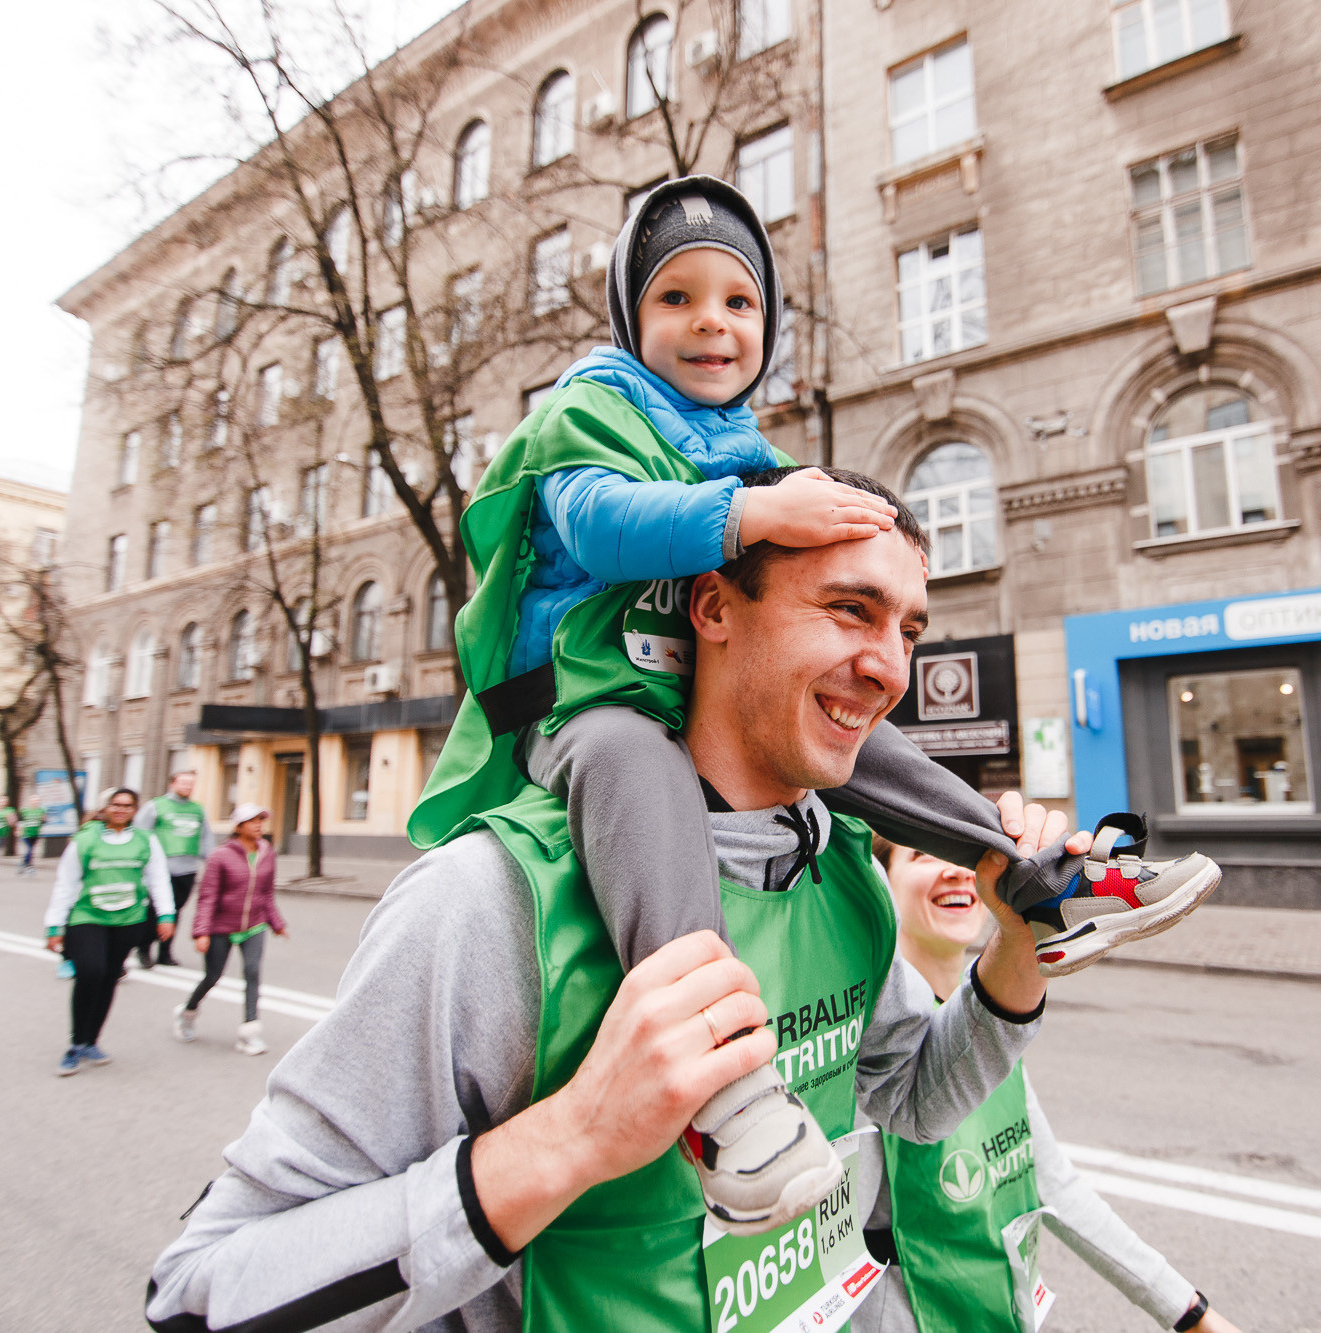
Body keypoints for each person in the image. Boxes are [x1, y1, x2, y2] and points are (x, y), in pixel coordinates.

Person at [410, 174, 1221, 1232]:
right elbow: (606, 526)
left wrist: (841, 517)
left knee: (858, 740)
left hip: (663, 685)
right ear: (629, 318)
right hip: (581, 701)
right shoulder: (590, 410)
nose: (711, 320)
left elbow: (916, 1096)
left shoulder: (827, 857)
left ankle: (1031, 880)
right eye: (676, 298)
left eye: (738, 301)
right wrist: (754, 511)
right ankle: (721, 1085)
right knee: (635, 761)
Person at [147, 467, 1088, 1330]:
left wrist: (1015, 950)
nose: (891, 668)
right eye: (851, 610)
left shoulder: (838, 865)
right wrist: (573, 1136)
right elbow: (201, 1289)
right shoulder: (490, 898)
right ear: (714, 606)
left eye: (908, 629)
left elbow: (913, 1097)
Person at [858, 838, 1243, 1333]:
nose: (954, 872)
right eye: (922, 856)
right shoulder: (868, 1047)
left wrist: (1190, 1313)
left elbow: (1055, 1183)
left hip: (996, 1310)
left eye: (961, 860)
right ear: (881, 885)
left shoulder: (987, 1032)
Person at [42, 787, 175, 1076]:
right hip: (87, 916)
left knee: (109, 977)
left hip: (128, 919)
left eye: (128, 805)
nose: (121, 810)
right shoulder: (85, 839)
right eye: (116, 805)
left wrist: (166, 915)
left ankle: (92, 1041)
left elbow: (158, 879)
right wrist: (55, 925)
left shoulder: (145, 840)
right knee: (90, 972)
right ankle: (76, 1044)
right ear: (105, 808)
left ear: (135, 810)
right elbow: (65, 884)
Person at [172, 802, 286, 1056]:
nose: (258, 825)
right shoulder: (220, 856)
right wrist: (201, 932)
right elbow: (208, 897)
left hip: (254, 925)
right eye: (252, 821)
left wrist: (276, 923)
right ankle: (187, 1013)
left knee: (252, 972)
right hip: (221, 926)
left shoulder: (267, 852)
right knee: (213, 976)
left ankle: (249, 1033)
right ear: (238, 826)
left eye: (260, 820)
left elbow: (266, 894)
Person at [134, 770, 209, 968]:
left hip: (188, 869)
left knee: (176, 910)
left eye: (191, 783)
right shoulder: (156, 806)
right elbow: (140, 833)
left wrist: (211, 861)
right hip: (160, 869)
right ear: (172, 784)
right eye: (184, 782)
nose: (188, 786)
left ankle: (165, 952)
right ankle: (144, 949)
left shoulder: (198, 810)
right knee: (155, 910)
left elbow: (206, 838)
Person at [17, 798, 45, 876]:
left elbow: (43, 821)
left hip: (35, 834)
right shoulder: (25, 811)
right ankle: (29, 867)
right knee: (29, 850)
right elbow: (20, 821)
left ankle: (22, 864)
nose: (35, 803)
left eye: (36, 801)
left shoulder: (40, 811)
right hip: (26, 834)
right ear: (30, 802)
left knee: (31, 851)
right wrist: (19, 830)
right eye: (33, 801)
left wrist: (44, 819)